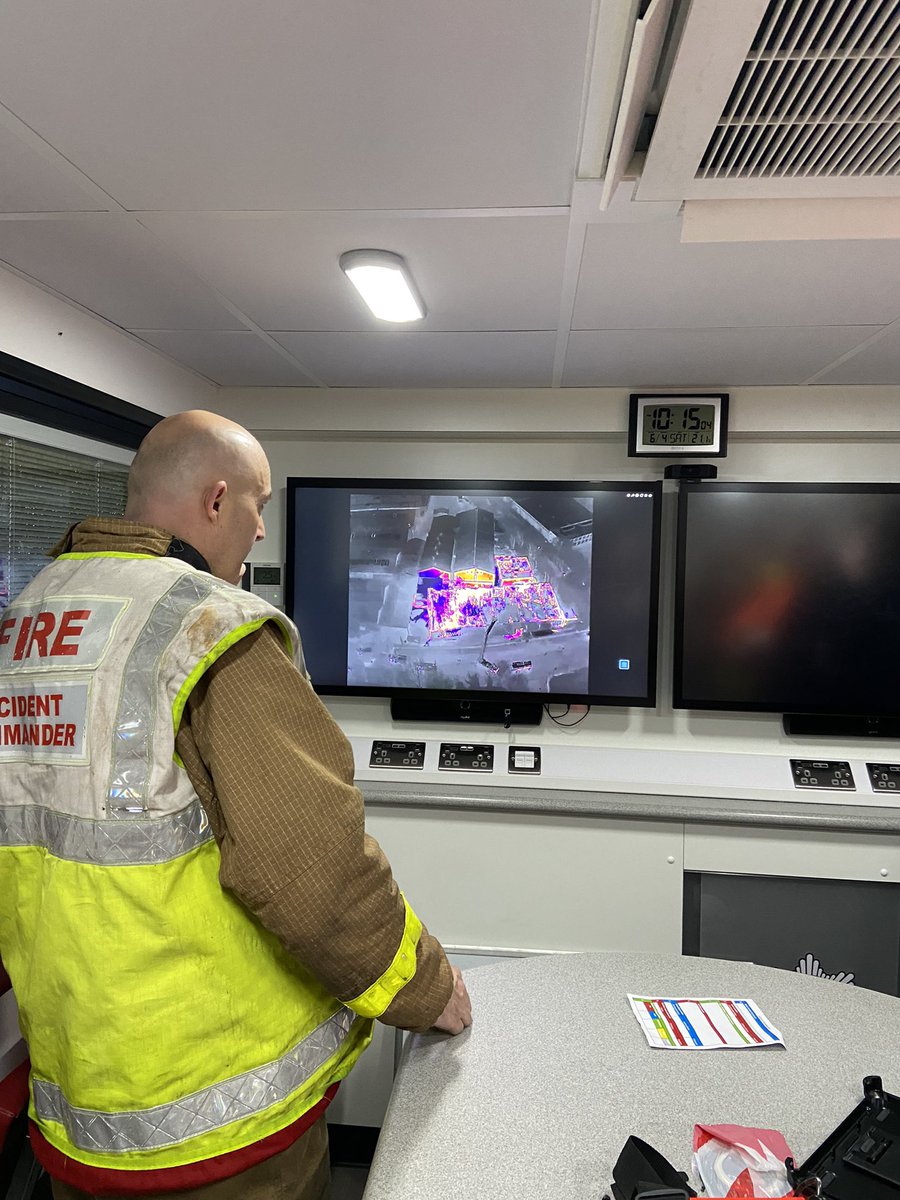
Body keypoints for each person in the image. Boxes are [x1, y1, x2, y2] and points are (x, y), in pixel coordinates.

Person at [0, 410, 472, 1200]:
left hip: (80, 1109)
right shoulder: (209, 625)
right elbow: (312, 871)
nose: (260, 533)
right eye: (259, 506)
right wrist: (426, 989)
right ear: (217, 501)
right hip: (219, 1121)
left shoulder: (27, 619)